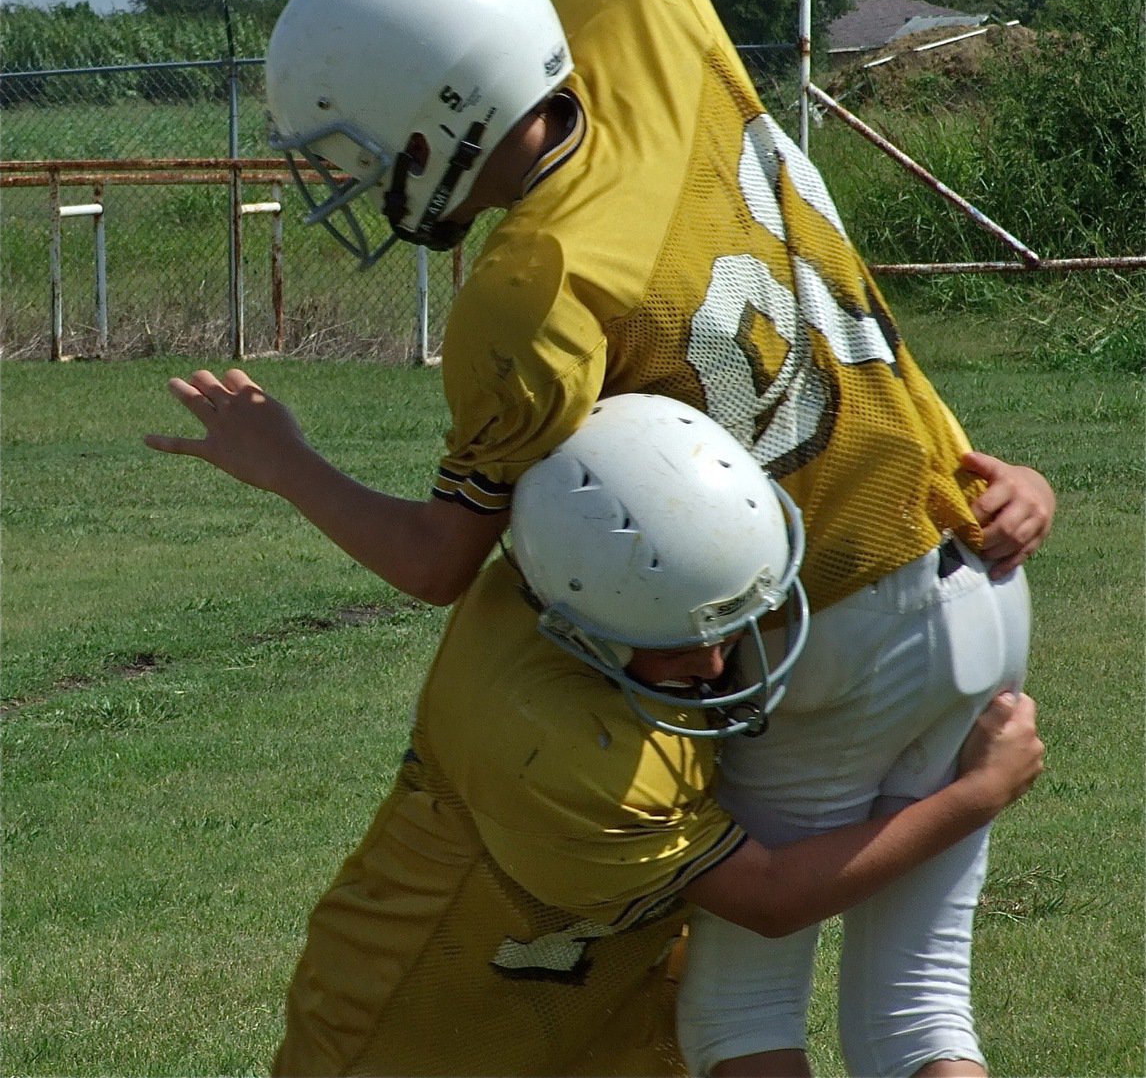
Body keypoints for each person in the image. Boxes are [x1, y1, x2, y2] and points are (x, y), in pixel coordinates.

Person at [145, 0, 1056, 1073]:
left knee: (739, 1017)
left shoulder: (531, 289)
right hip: (974, 553)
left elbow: (441, 558)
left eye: (363, 155)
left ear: (432, 131)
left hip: (809, 621)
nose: (359, 184)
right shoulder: (640, 16)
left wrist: (287, 464)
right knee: (922, 1003)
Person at [268, 393, 1044, 1076]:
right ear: (584, 630)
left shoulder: (591, 547)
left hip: (608, 1016)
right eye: (680, 644)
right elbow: (770, 896)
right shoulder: (566, 747)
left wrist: (1013, 486)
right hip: (427, 1032)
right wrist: (977, 796)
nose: (717, 662)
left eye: (730, 624)